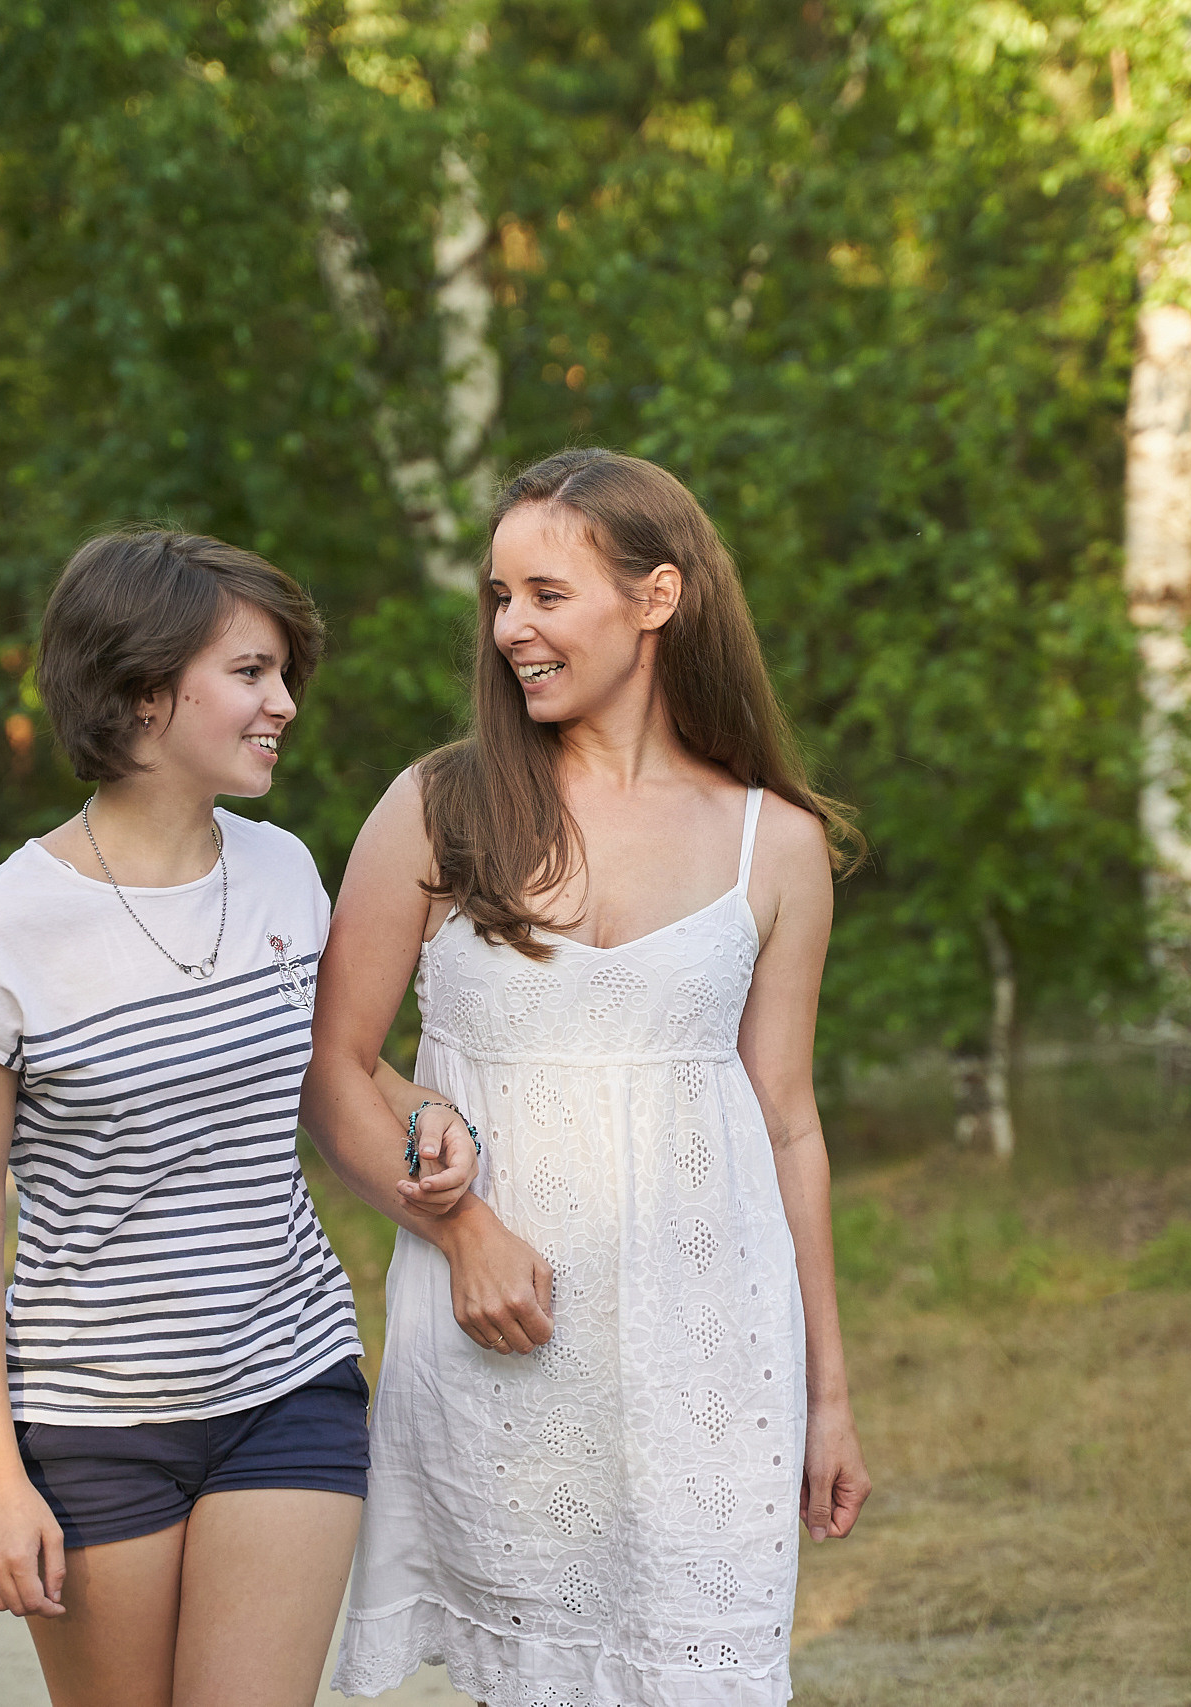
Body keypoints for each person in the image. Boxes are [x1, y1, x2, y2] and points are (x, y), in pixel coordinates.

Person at [306, 450, 874, 1707]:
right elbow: (336, 1069)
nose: (511, 628)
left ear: (657, 597)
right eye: (497, 598)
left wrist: (828, 1400)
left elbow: (786, 1124)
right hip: (504, 1342)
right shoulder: (440, 808)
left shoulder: (773, 844)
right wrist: (458, 1229)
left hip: (709, 1356)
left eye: (546, 594)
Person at [0, 530, 479, 1707]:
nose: (282, 703)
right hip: (93, 1421)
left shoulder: (281, 872)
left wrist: (430, 1110)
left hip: (290, 1381)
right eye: (250, 673)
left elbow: (342, 1070)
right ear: (140, 690)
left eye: (284, 675)